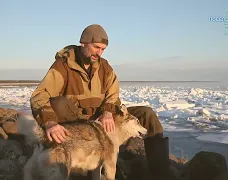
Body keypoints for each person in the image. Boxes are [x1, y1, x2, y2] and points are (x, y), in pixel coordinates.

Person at [29, 24, 175, 180]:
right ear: (83, 42)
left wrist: (107, 111)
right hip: (77, 121)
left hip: (100, 117)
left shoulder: (104, 67)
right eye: (96, 47)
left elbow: (113, 93)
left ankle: (161, 174)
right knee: (57, 103)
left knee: (147, 114)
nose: (99, 53)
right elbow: (40, 95)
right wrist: (49, 122)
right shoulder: (63, 66)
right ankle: (75, 157)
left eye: (103, 49)